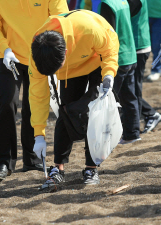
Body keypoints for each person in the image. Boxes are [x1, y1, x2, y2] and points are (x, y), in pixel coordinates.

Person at [0, 0, 68, 181]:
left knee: (34, 106)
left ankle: (32, 160)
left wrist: (52, 54)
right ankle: (3, 163)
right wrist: (4, 48)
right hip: (9, 56)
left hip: (38, 56)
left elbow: (61, 21)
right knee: (6, 105)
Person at [29, 10, 119, 191]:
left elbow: (109, 52)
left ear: (66, 53)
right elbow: (38, 95)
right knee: (66, 110)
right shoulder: (39, 52)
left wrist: (109, 74)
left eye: (55, 69)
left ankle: (91, 168)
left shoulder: (90, 30)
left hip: (96, 59)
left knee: (92, 113)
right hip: (70, 70)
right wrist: (38, 134)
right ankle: (58, 168)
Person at [90, 0, 140, 144]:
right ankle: (133, 133)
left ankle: (107, 136)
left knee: (109, 100)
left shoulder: (106, 4)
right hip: (130, 54)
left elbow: (107, 33)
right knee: (130, 97)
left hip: (116, 58)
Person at [111, 0, 161, 134]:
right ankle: (144, 117)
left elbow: (121, 19)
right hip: (133, 46)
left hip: (138, 46)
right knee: (130, 89)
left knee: (133, 89)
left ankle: (150, 114)